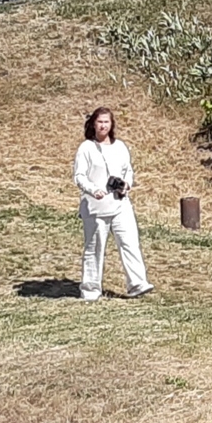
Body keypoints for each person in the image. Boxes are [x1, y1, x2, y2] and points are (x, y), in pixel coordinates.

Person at [73, 107, 152, 300]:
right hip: (96, 208)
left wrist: (127, 185)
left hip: (120, 204)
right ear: (93, 124)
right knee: (94, 248)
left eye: (106, 122)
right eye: (100, 122)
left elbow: (128, 171)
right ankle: (90, 289)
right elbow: (79, 176)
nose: (103, 125)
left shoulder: (120, 147)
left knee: (130, 243)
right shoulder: (86, 148)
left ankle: (137, 283)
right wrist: (93, 190)